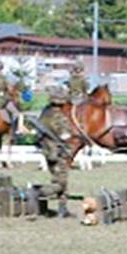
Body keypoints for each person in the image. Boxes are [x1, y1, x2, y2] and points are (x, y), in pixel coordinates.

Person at [34, 87, 75, 218]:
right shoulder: (59, 116)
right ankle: (39, 193)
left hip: (47, 150)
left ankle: (63, 209)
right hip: (58, 152)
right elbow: (65, 135)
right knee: (60, 183)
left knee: (61, 178)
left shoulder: (45, 113)